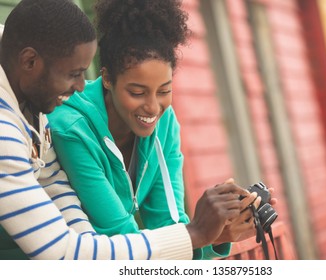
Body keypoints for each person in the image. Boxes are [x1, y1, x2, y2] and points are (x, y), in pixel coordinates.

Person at [0, 0, 253, 260]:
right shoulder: (50, 124)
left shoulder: (36, 114)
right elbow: (66, 254)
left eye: (164, 90)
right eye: (73, 74)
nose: (80, 86)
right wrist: (196, 234)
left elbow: (79, 229)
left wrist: (213, 234)